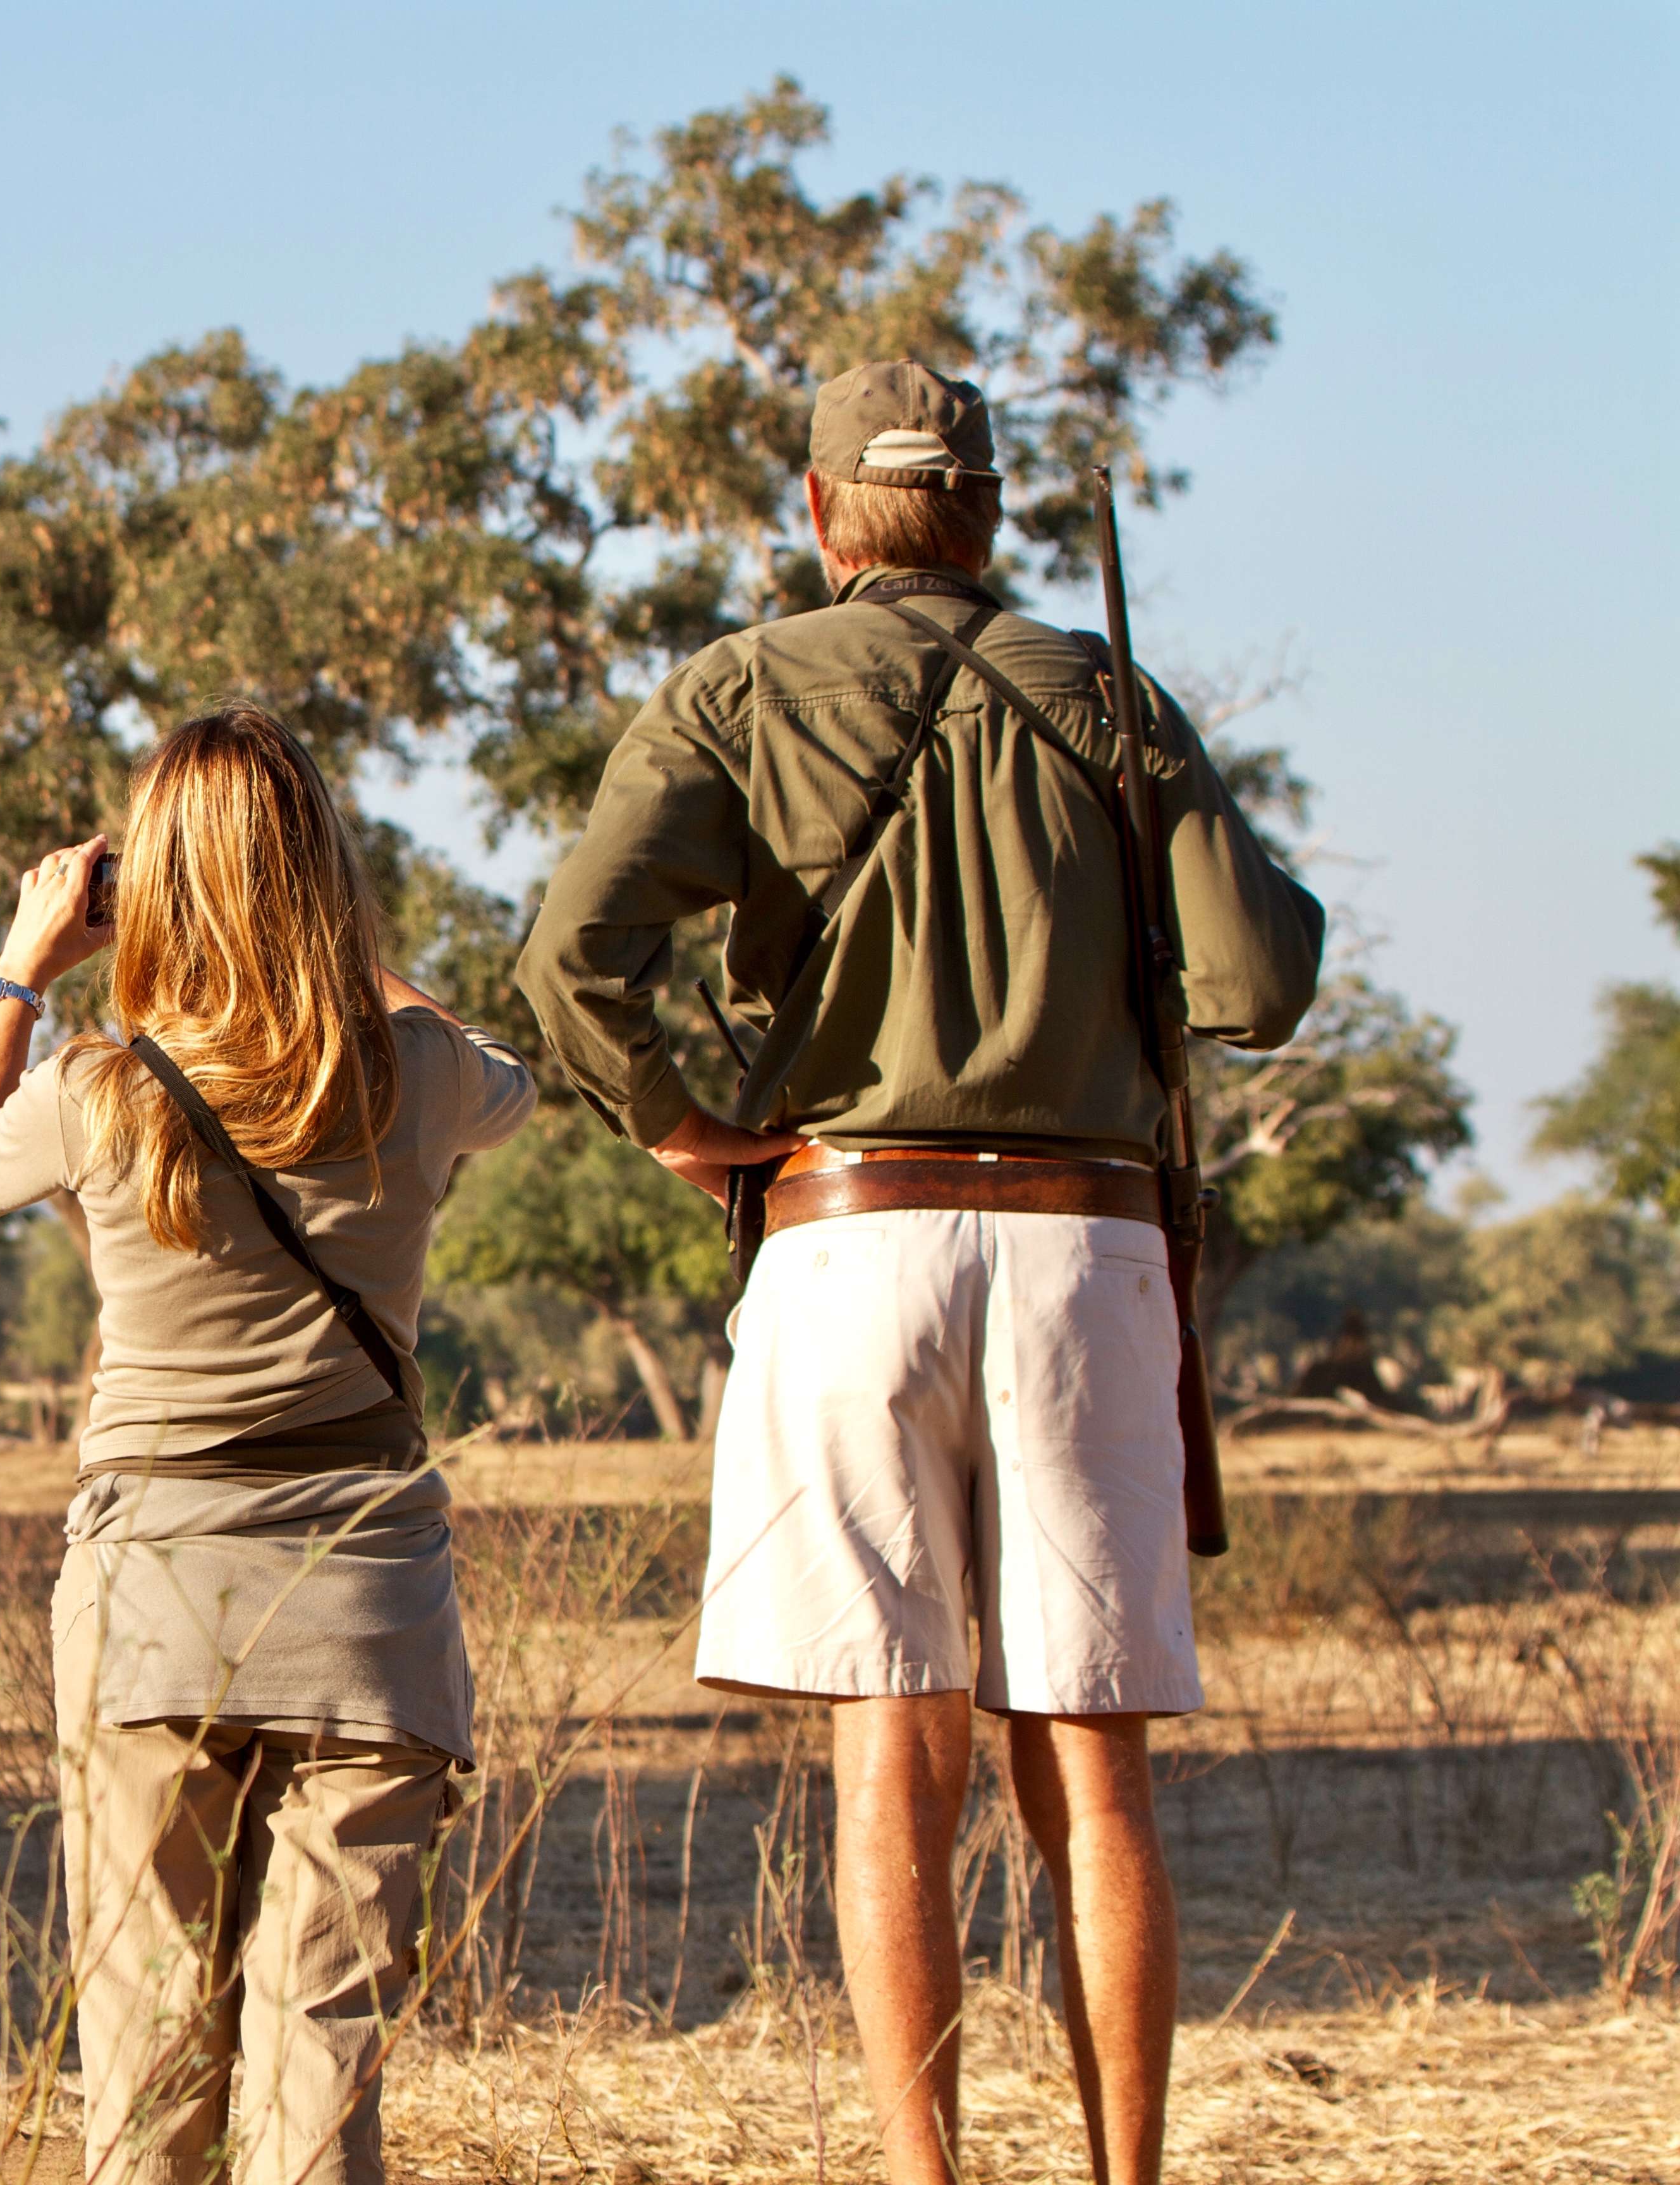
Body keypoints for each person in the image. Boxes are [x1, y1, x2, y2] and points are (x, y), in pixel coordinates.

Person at [513, 360, 1323, 2185]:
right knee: (1091, 1765)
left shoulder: (737, 689)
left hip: (847, 1237)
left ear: (820, 514)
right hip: (1089, 1248)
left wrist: (676, 1121)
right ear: (987, 510)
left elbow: (571, 959)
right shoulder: (1113, 698)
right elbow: (1261, 987)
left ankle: (923, 2175)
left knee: (896, 1747)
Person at [0, 702, 533, 2185]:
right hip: (370, 1601)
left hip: (156, 1596)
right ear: (325, 873)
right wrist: (340, 944)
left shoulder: (98, 1091)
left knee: (147, 2037)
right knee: (323, 2040)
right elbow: (506, 1062)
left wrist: (26, 965)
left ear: (158, 883)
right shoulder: (418, 1070)